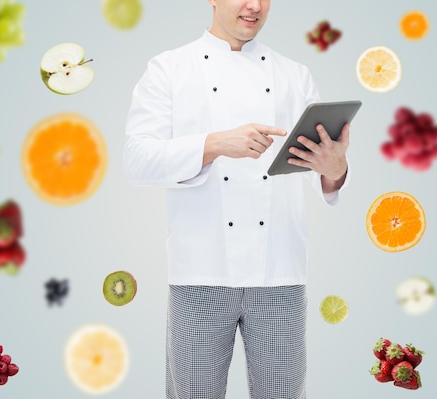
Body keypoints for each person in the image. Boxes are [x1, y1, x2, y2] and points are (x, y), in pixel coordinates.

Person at [123, 0, 351, 398]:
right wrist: (214, 144)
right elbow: (137, 160)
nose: (254, 5)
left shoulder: (296, 75)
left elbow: (324, 182)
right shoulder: (168, 68)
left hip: (280, 275)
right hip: (199, 276)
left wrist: (335, 169)